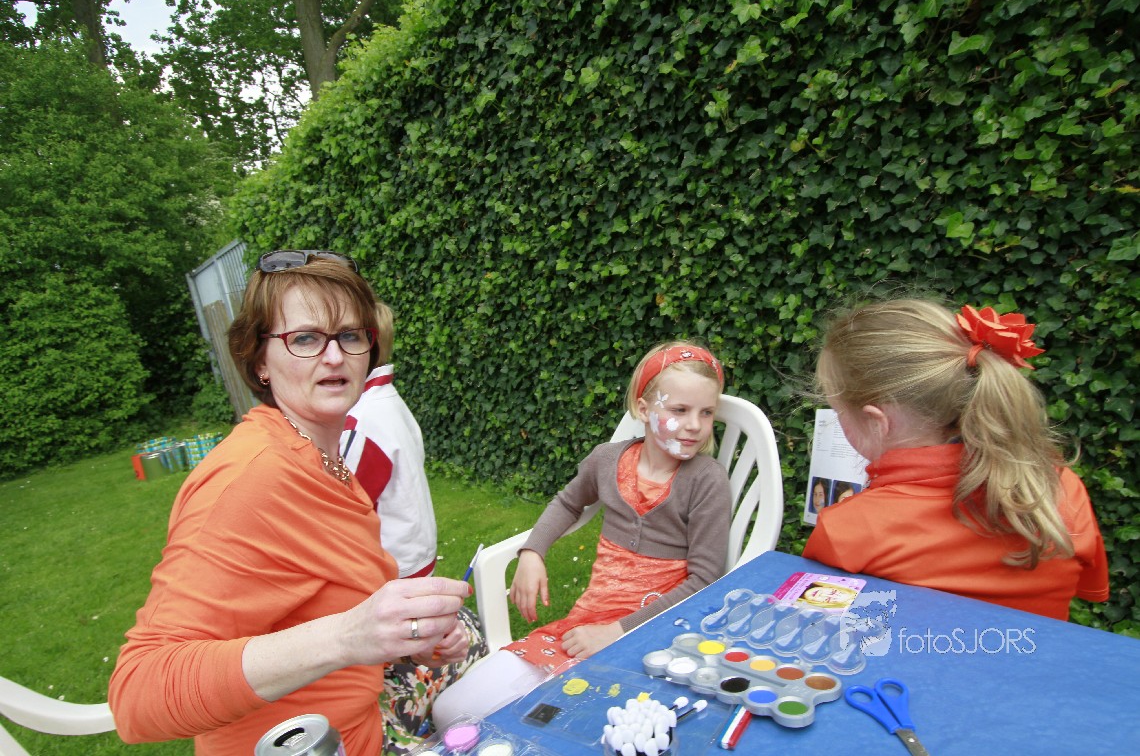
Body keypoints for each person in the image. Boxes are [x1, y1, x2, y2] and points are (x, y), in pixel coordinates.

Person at [108, 250, 471, 756]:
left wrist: (411, 640)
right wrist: (348, 635)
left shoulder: (327, 460)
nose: (334, 356)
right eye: (304, 338)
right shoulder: (249, 479)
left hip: (360, 731)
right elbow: (138, 693)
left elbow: (328, 611)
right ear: (259, 361)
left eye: (350, 335)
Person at [431, 341, 732, 725]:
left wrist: (617, 632)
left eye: (707, 413)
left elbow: (704, 580)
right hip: (584, 627)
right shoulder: (606, 461)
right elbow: (568, 503)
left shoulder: (707, 480)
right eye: (679, 410)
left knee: (562, 725)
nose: (695, 425)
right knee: (451, 710)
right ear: (643, 409)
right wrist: (533, 552)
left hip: (658, 637)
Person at [802, 299, 1110, 620]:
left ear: (877, 422)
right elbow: (1084, 588)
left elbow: (815, 628)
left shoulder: (848, 528)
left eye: (838, 411)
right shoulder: (1062, 486)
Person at [340, 299, 488, 751]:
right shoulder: (388, 405)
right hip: (411, 565)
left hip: (392, 578)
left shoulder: (362, 421)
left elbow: (343, 510)